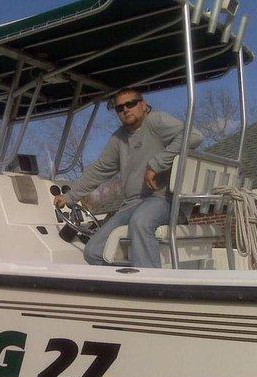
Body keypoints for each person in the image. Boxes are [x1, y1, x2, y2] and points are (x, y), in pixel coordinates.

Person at [54, 88, 203, 268]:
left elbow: (194, 136)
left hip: (165, 200)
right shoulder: (118, 138)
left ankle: (149, 287)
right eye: (119, 108)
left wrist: (156, 164)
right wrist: (70, 197)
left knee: (140, 222)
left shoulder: (155, 121)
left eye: (130, 104)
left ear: (143, 105)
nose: (125, 109)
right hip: (132, 204)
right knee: (93, 251)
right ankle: (125, 287)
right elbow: (100, 169)